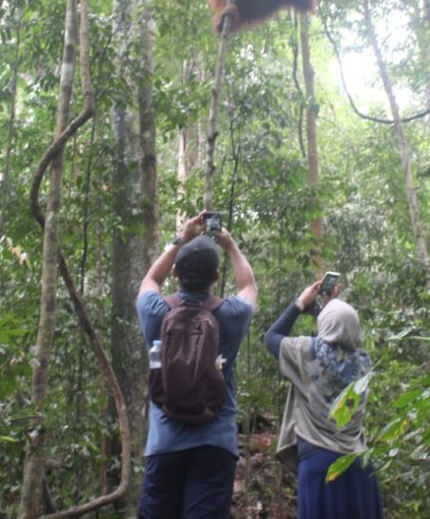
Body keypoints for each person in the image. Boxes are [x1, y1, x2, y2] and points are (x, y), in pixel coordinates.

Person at [136, 212, 258, 518]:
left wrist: (181, 239)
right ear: (216, 279)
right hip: (214, 444)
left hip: (163, 444)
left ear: (176, 273)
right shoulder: (230, 315)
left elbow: (150, 280)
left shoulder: (155, 311)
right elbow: (249, 285)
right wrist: (230, 247)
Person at [263, 277, 384, 519]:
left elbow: (271, 337)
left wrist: (300, 304)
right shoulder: (363, 362)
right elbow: (339, 328)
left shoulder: (307, 352)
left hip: (321, 464)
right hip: (360, 465)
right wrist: (324, 308)